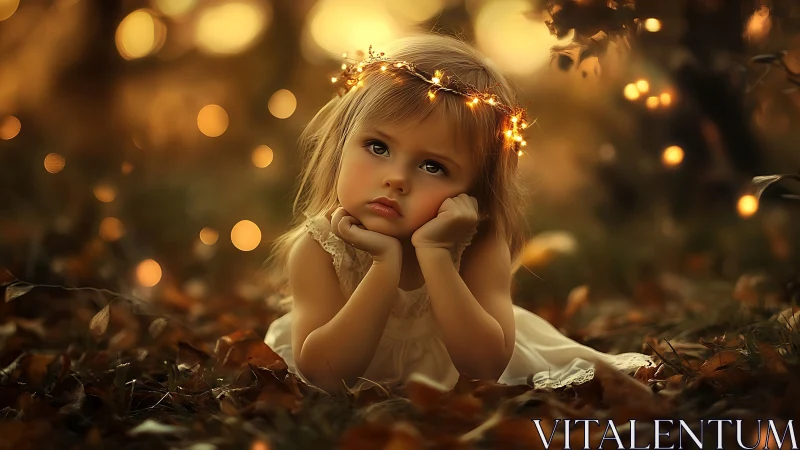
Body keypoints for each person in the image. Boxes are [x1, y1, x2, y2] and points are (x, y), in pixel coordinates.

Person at [263, 33, 655, 395]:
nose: (396, 179)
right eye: (378, 147)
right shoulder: (319, 250)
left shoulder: (478, 245)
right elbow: (327, 374)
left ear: (473, 190)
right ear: (341, 144)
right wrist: (384, 266)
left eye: (433, 166)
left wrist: (436, 255)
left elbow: (485, 367)